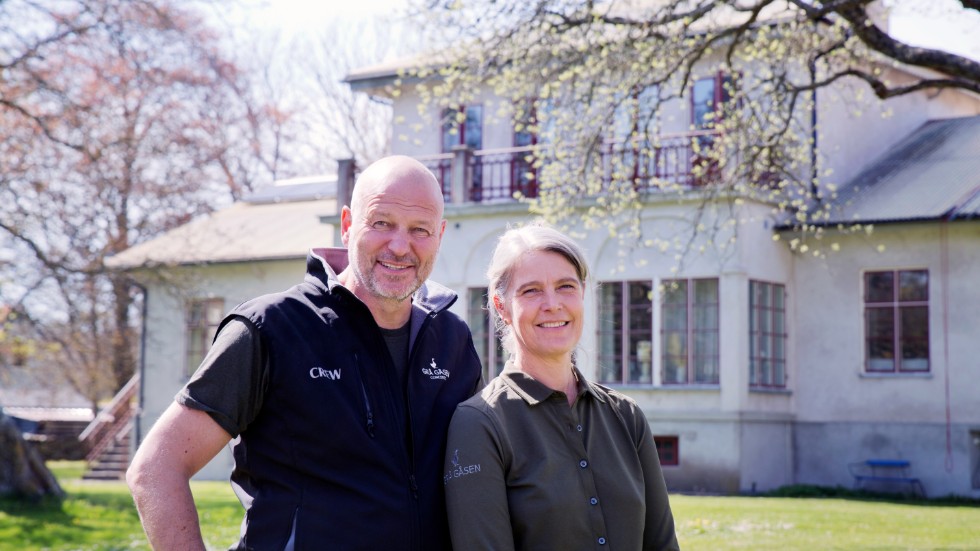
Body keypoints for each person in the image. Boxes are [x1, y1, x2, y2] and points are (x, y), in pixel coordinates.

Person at [127, 155, 483, 551]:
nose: (400, 246)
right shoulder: (272, 328)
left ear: (440, 235)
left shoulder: (454, 342)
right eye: (381, 223)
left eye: (420, 229)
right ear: (347, 225)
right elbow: (157, 467)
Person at [443, 221, 680, 550]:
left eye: (566, 286)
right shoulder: (480, 424)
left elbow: (662, 544)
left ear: (582, 292)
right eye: (531, 290)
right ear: (502, 307)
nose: (552, 303)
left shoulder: (626, 416)